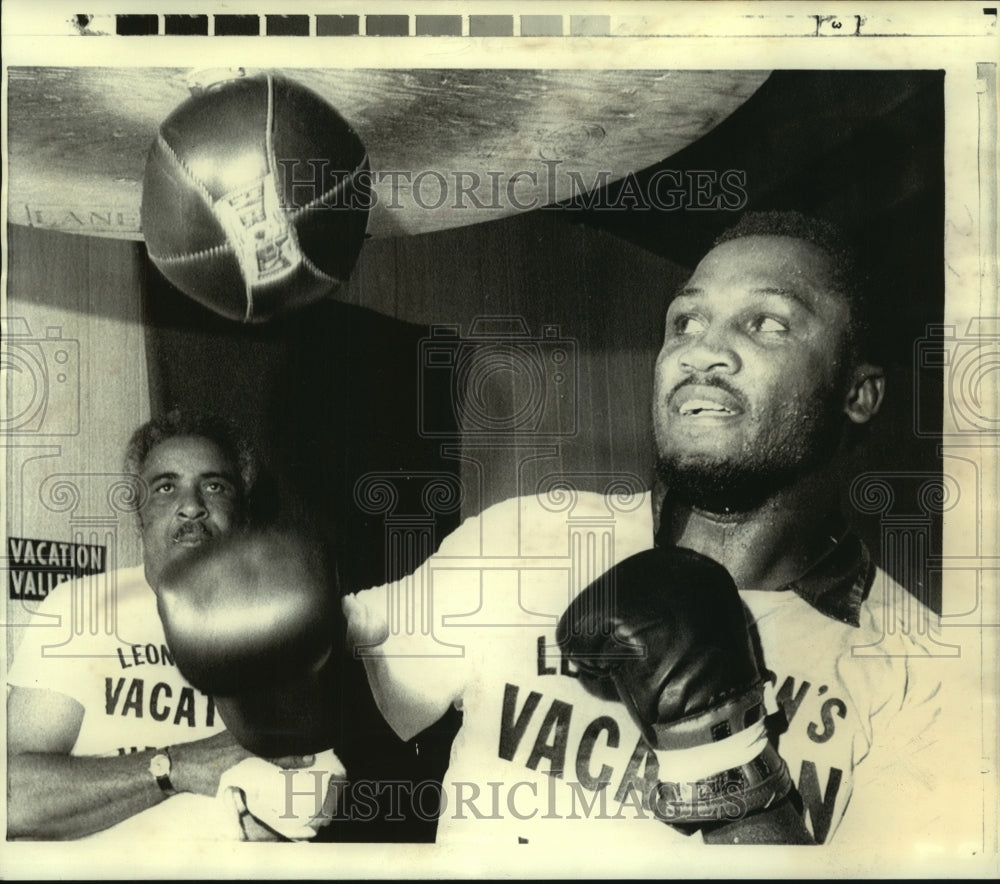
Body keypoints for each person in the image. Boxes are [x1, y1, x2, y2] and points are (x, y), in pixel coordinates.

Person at [343, 211, 976, 852]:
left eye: (767, 323)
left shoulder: (924, 682)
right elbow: (322, 715)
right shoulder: (527, 539)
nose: (702, 350)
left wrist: (721, 757)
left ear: (859, 393)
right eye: (686, 322)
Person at [6, 410, 337, 841]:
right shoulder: (79, 609)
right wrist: (176, 767)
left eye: (215, 486)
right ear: (138, 512)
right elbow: (13, 800)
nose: (192, 507)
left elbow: (320, 786)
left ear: (244, 510)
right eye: (166, 487)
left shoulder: (283, 614)